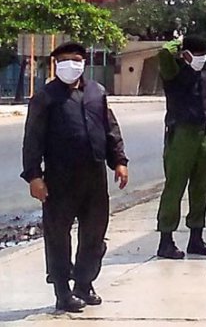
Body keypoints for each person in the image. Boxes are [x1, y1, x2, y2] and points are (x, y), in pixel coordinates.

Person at [21, 42, 129, 312]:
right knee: (58, 236)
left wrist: (119, 161)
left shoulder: (97, 93)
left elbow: (110, 128)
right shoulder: (45, 97)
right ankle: (62, 291)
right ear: (56, 64)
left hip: (94, 177)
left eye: (77, 59)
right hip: (60, 178)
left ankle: (84, 283)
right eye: (66, 60)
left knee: (94, 233)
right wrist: (34, 176)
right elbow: (32, 139)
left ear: (84, 62)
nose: (73, 64)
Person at [154, 34, 206, 260]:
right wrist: (181, 42)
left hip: (203, 133)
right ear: (185, 54)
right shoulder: (173, 69)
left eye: (204, 54)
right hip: (181, 134)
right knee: (175, 188)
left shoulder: (203, 69)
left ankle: (196, 237)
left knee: (201, 188)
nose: (202, 58)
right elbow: (164, 52)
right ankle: (166, 240)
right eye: (197, 54)